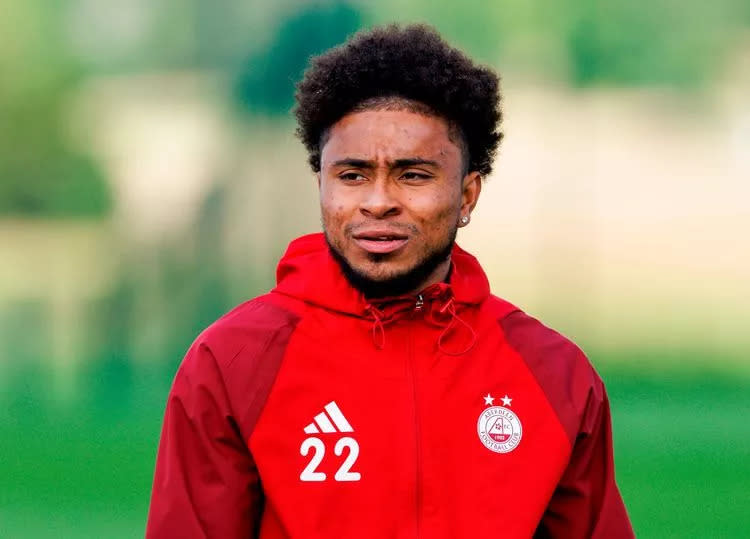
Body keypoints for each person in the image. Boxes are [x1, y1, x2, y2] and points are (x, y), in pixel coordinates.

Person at [146, 24, 634, 538]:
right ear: (322, 184)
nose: (378, 201)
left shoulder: (554, 376)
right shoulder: (231, 362)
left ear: (467, 195)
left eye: (413, 175)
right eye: (352, 175)